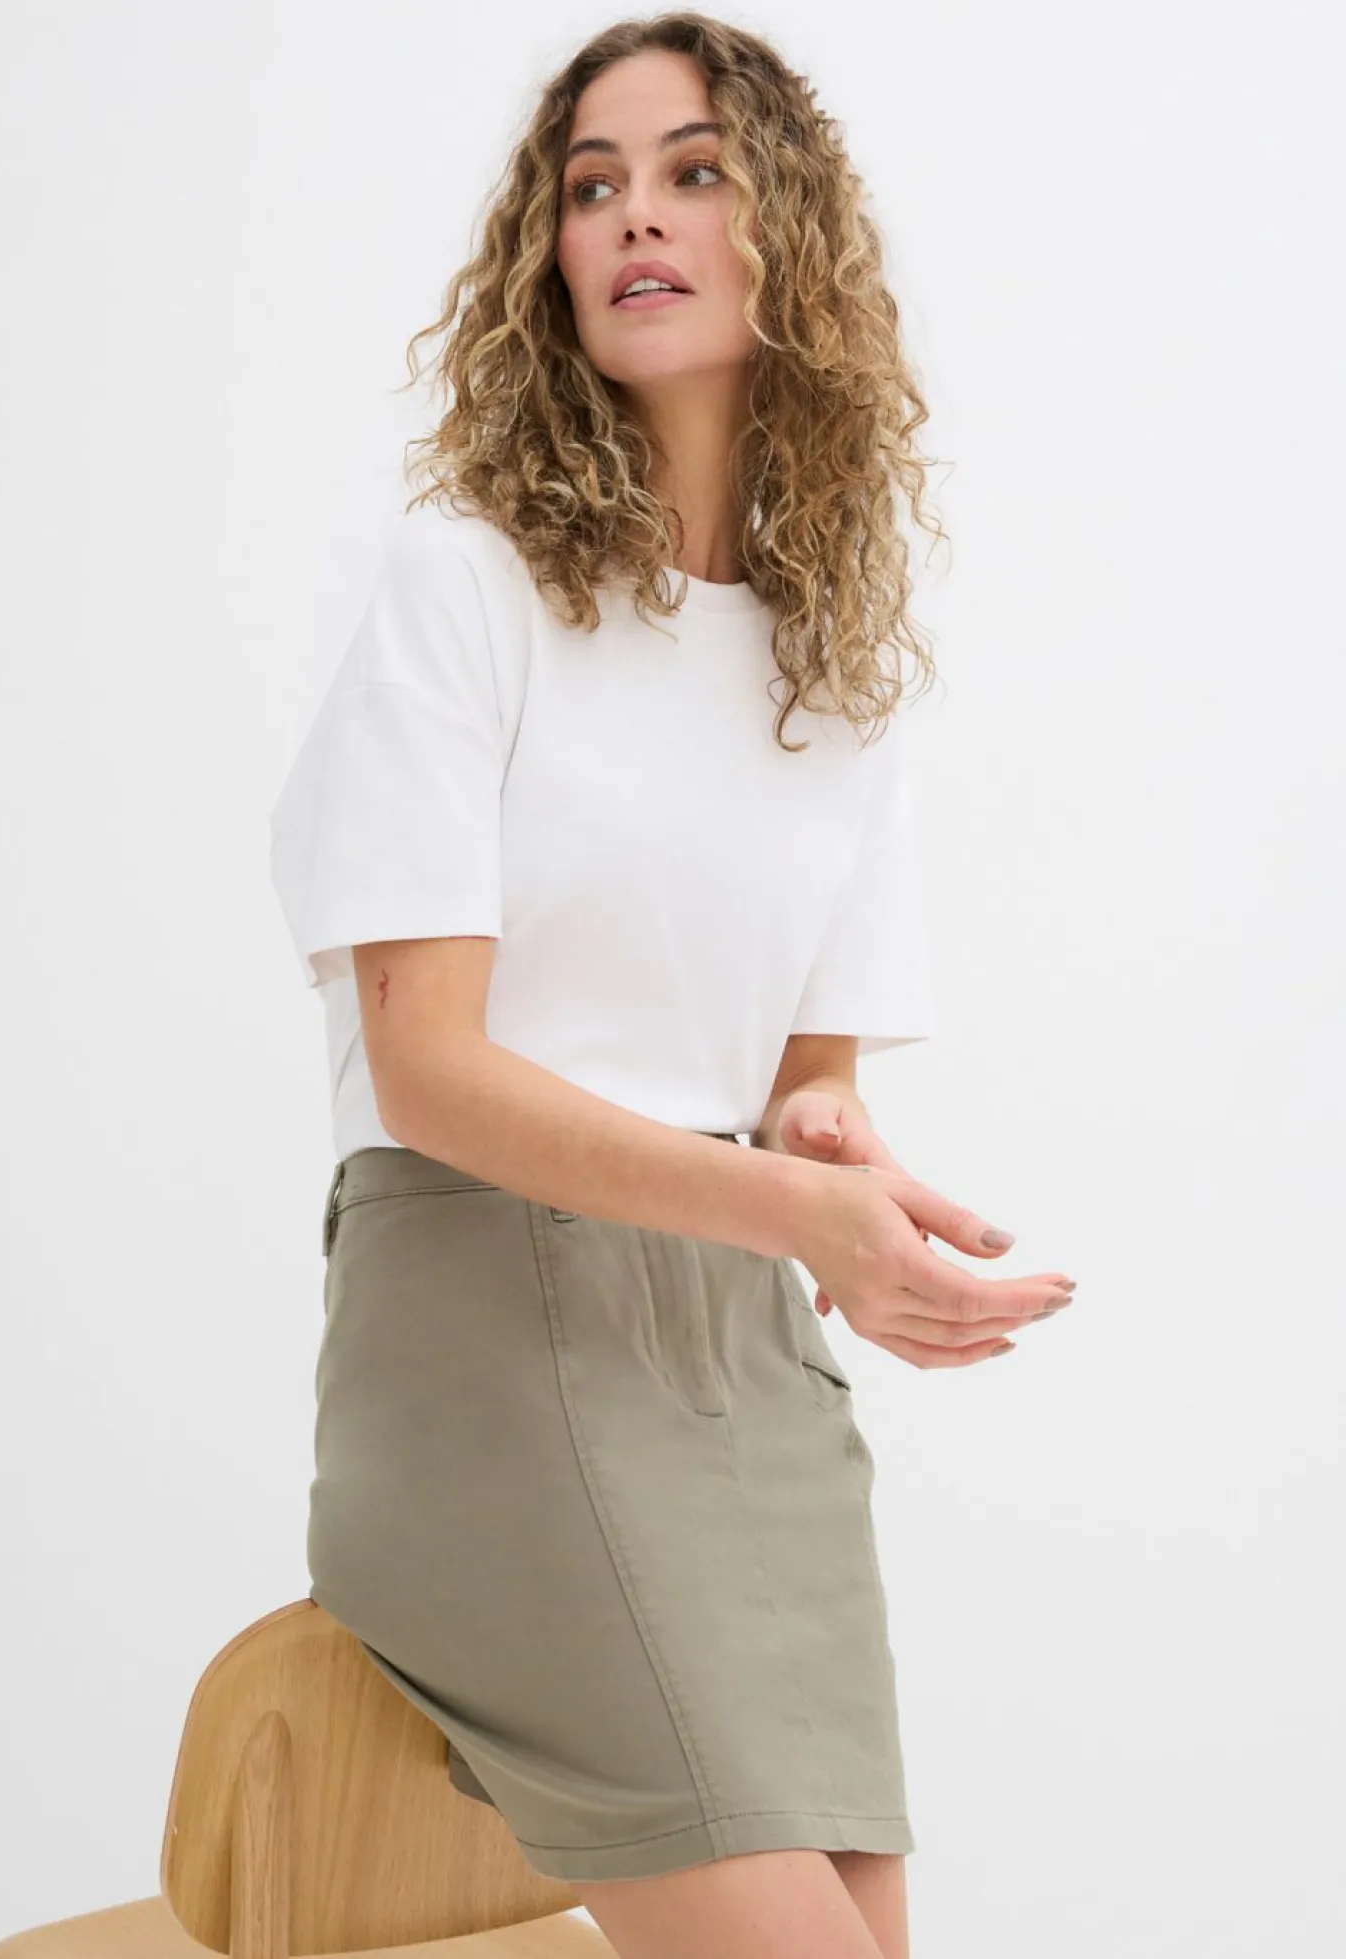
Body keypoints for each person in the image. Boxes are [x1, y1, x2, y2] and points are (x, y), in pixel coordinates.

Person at [268, 15, 1076, 1958]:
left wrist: (842, 1166)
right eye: (593, 183)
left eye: (694, 170)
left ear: (787, 229)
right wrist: (795, 1208)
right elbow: (429, 1069)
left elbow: (802, 1082)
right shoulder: (466, 584)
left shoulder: (831, 666)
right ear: (548, 256)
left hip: (737, 1355)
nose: (636, 214)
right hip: (484, 1326)